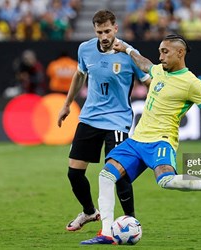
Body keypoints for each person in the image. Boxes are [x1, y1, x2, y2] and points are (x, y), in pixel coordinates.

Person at [80, 34, 201, 245]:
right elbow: (145, 64)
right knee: (106, 175)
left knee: (166, 181)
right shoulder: (159, 70)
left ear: (180, 53)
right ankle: (107, 233)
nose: (160, 56)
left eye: (165, 52)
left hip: (161, 141)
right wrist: (126, 49)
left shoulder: (192, 84)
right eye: (160, 51)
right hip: (136, 140)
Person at [57, 10, 151, 232]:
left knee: (118, 173)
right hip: (89, 118)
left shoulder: (130, 54)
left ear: (116, 29)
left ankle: (131, 221)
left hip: (118, 121)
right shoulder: (85, 49)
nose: (104, 36)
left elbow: (149, 81)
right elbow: (80, 75)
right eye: (100, 32)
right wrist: (67, 104)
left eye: (108, 31)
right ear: (95, 31)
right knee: (74, 173)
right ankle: (89, 212)